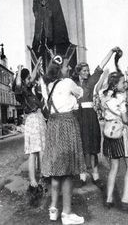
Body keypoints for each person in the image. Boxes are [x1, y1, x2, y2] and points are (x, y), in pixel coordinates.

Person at [40, 55, 86, 225]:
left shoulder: (47, 85)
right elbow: (81, 93)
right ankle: (67, 214)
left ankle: (53, 209)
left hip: (53, 126)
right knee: (68, 171)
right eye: (67, 67)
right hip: (67, 124)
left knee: (56, 169)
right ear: (60, 70)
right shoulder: (68, 83)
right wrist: (75, 94)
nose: (69, 69)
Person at [72, 47, 122, 187]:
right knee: (81, 145)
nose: (87, 73)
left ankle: (95, 175)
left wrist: (111, 52)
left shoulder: (91, 81)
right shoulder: (73, 84)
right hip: (78, 116)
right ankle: (82, 176)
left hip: (90, 116)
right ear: (78, 73)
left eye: (88, 70)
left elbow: (101, 65)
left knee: (93, 145)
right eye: (84, 71)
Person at [99, 62, 128, 214]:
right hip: (121, 133)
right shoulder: (121, 98)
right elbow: (125, 119)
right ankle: (126, 200)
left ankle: (109, 199)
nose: (125, 84)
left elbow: (103, 87)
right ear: (115, 84)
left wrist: (117, 65)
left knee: (114, 167)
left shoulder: (105, 97)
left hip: (110, 134)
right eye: (123, 82)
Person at [13, 58, 46, 192]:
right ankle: (33, 180)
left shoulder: (29, 89)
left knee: (42, 150)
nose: (29, 81)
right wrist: (20, 70)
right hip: (32, 119)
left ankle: (43, 175)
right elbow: (19, 82)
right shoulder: (20, 92)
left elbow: (31, 77)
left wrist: (37, 64)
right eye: (27, 79)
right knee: (33, 152)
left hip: (39, 119)